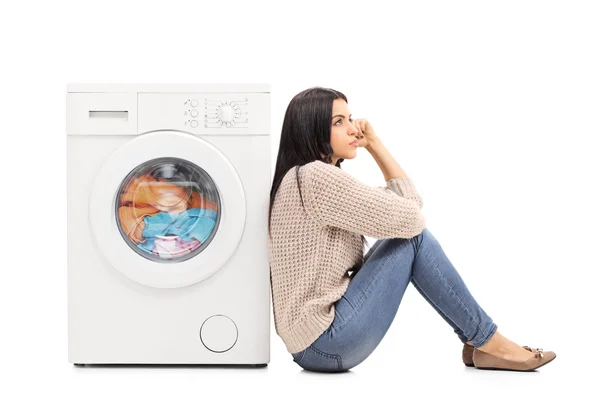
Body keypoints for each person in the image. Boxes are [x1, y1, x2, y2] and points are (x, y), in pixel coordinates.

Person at [267, 87, 556, 373]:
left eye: (350, 118)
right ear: (311, 129)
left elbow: (410, 208)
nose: (353, 129)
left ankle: (480, 342)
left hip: (314, 344)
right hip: (326, 343)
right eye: (338, 122)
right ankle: (489, 342)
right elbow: (413, 219)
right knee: (414, 240)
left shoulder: (301, 177)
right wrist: (376, 147)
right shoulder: (316, 177)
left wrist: (375, 144)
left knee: (410, 236)